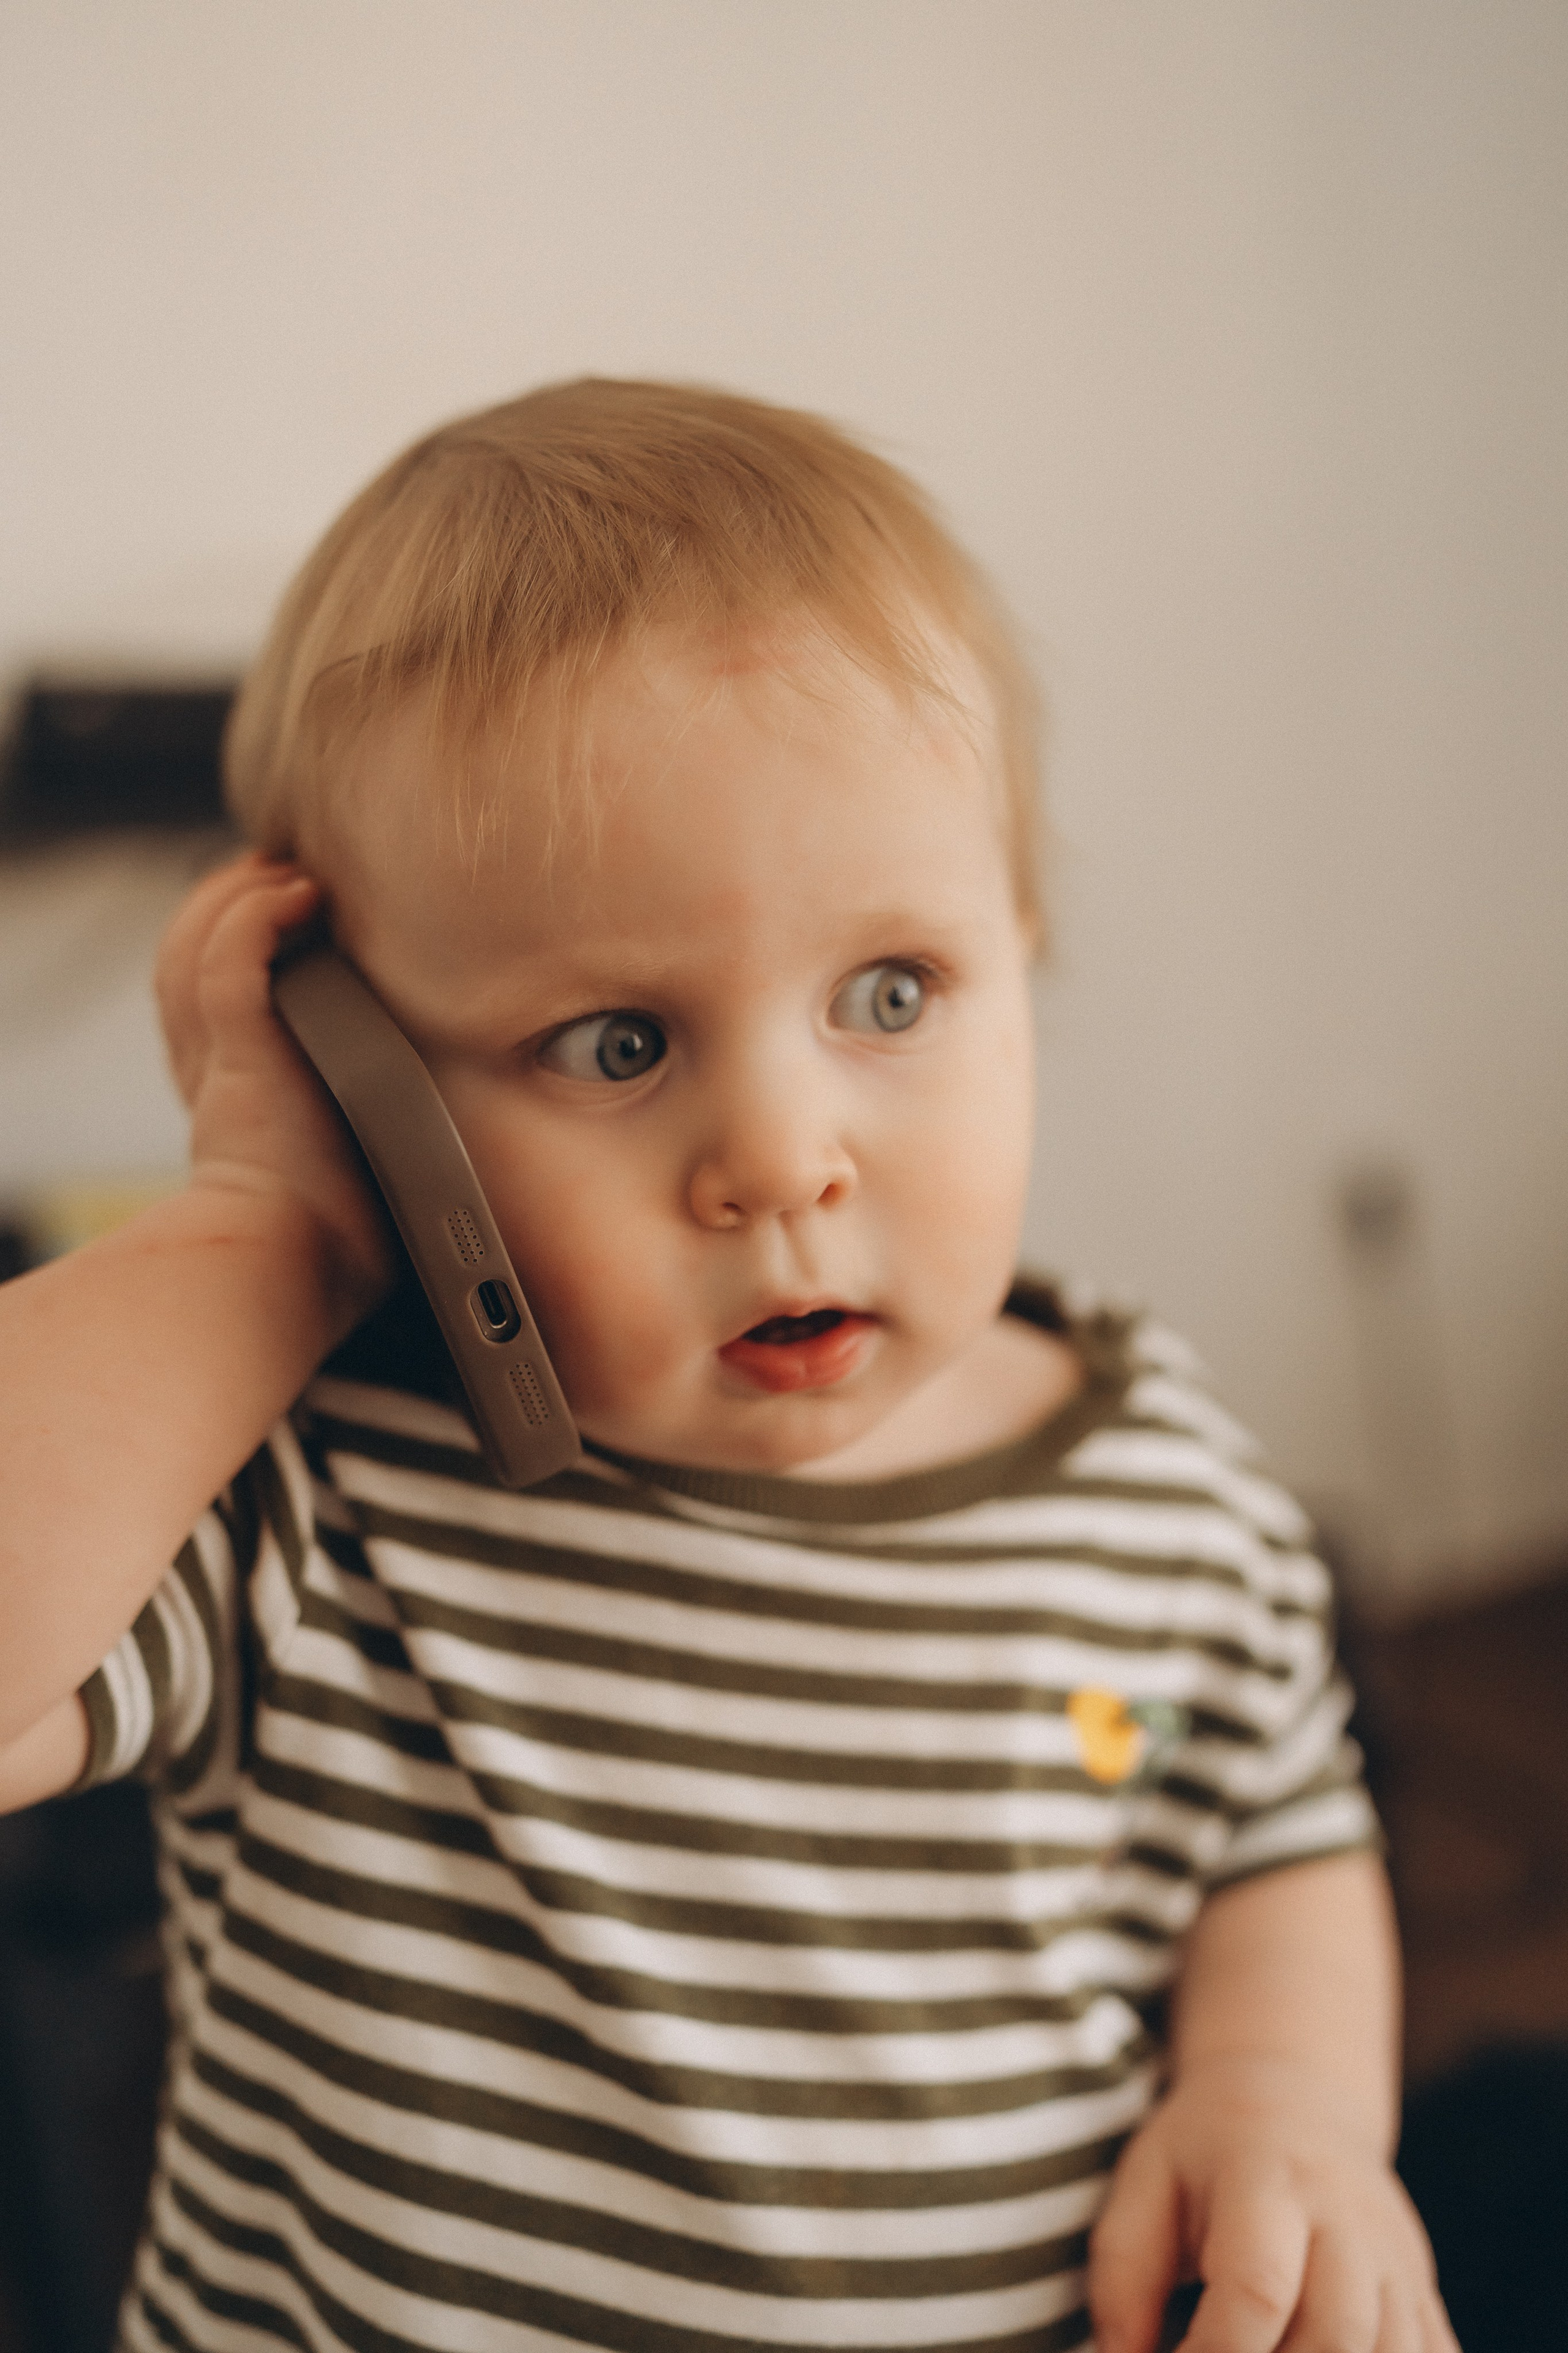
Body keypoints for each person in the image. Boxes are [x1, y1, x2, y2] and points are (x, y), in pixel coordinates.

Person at [0, 380, 1453, 2353]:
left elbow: (1271, 1829)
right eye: (614, 1041)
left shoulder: (1166, 1488)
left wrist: (1286, 2108)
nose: (782, 1157)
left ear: (1022, 948)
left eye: (890, 991)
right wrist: (263, 1229)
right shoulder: (303, 1490)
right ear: (371, 1076)